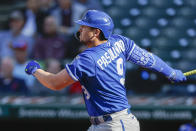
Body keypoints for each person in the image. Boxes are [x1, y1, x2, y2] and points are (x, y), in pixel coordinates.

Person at [25, 10, 187, 131]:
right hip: (107, 124)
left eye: (84, 26)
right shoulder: (120, 42)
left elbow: (55, 84)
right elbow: (148, 59)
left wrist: (35, 70)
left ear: (96, 32)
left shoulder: (87, 59)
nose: (80, 29)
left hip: (114, 125)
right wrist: (170, 72)